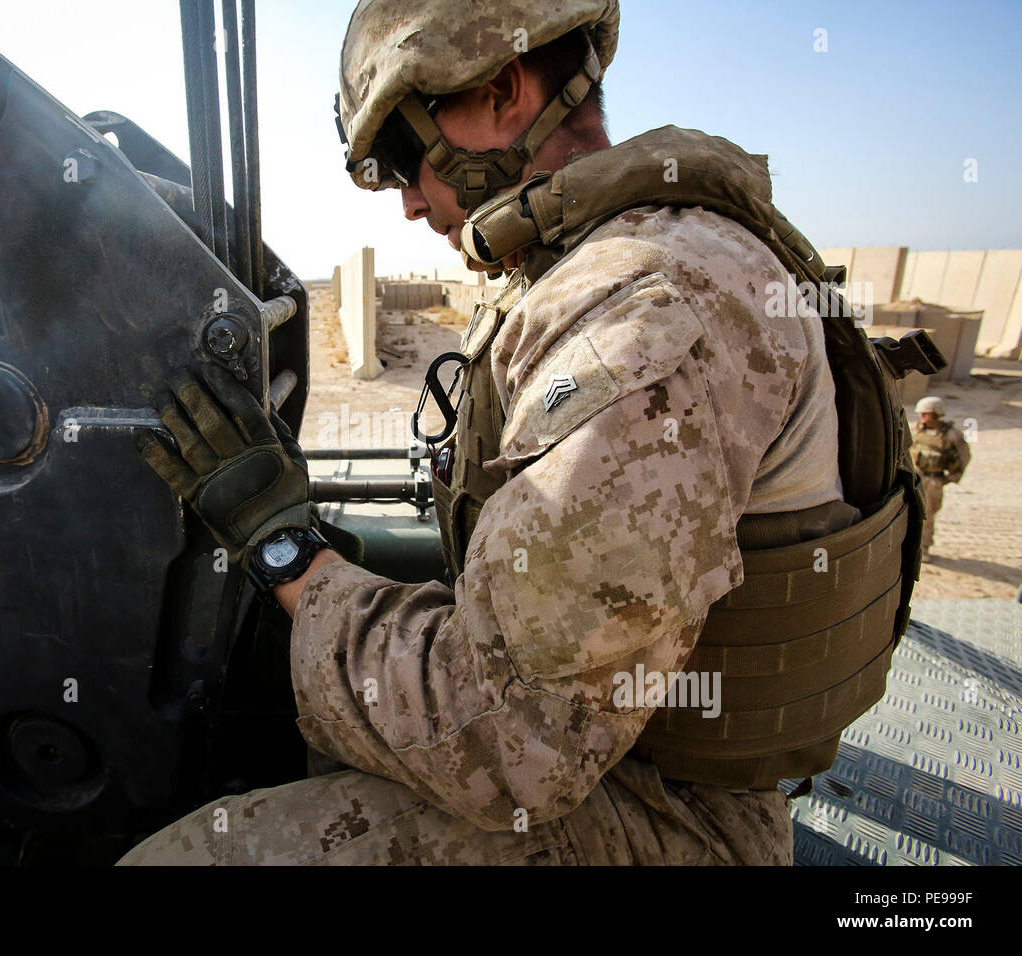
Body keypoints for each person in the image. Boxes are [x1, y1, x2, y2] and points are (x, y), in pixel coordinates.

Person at [118, 0, 917, 865]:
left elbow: (509, 743)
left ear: (502, 90)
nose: (410, 204)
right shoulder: (588, 266)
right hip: (614, 758)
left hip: (669, 815)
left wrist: (283, 550)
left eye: (401, 156)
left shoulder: (644, 305)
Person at [911, 395, 971, 558]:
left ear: (936, 414)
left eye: (926, 413)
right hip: (915, 477)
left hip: (933, 481)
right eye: (921, 413)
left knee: (927, 515)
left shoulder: (952, 435)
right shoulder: (916, 430)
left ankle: (923, 548)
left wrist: (950, 478)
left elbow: (964, 457)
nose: (921, 417)